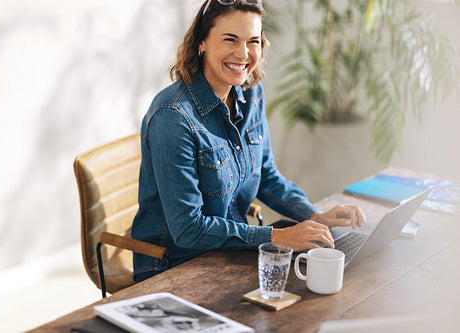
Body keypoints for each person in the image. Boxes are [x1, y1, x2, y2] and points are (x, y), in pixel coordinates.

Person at [131, 0, 365, 282]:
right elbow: (187, 229)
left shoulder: (251, 92)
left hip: (233, 251)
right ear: (201, 42)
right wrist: (278, 236)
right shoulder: (173, 116)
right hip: (176, 266)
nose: (243, 54)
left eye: (253, 41)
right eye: (230, 39)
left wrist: (314, 216)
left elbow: (266, 175)